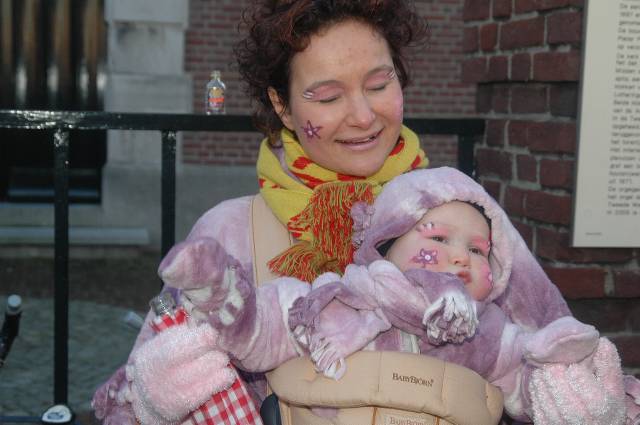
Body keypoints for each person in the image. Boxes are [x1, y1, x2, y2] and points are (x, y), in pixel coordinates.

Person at [91, 1, 633, 424]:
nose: (363, 116)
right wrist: (160, 397)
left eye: (379, 84)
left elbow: (546, 356)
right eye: (327, 97)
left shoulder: (464, 216)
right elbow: (134, 401)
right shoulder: (230, 233)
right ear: (282, 106)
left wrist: (581, 395)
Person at [285, 167, 640, 423]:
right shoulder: (342, 302)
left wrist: (563, 377)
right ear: (383, 245)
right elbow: (268, 325)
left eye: (477, 250)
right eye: (439, 238)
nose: (460, 257)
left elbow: (525, 389)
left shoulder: (491, 335)